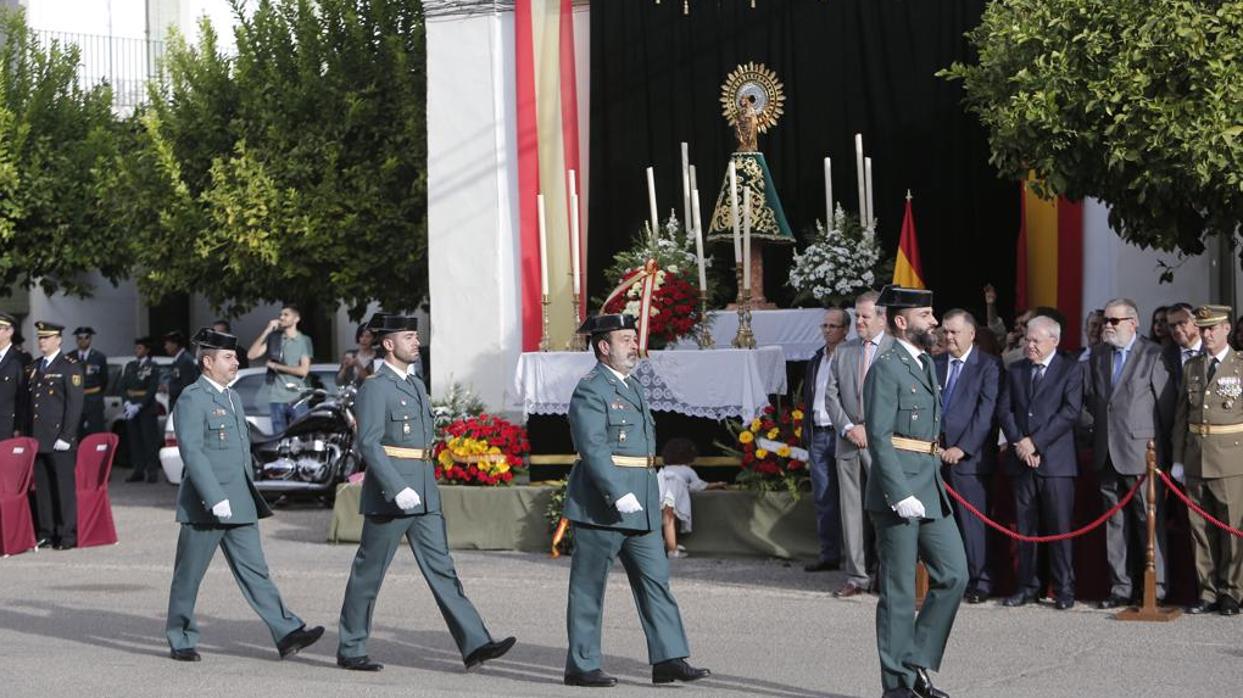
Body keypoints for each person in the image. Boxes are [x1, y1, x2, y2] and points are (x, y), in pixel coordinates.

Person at [337, 313, 515, 672]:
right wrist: (396, 488)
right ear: (388, 344)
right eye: (408, 337)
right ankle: (351, 646)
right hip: (394, 492)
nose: (416, 342)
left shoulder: (415, 385)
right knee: (370, 572)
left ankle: (475, 642)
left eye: (415, 336)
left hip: (423, 489)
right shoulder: (375, 387)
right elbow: (369, 443)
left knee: (442, 569)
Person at [562, 313, 709, 688]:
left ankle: (668, 657)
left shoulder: (632, 385)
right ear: (604, 347)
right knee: (589, 587)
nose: (633, 345)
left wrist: (645, 493)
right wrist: (617, 492)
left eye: (633, 337)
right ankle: (582, 664)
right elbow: (592, 447)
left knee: (655, 580)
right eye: (625, 339)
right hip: (603, 504)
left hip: (640, 500)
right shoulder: (591, 388)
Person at [165, 327, 324, 662]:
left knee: (255, 570)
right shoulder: (193, 399)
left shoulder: (232, 397)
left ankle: (286, 631)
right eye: (228, 357)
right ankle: (181, 637)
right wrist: (214, 496)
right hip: (206, 505)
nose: (235, 362)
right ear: (208, 362)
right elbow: (192, 453)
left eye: (235, 357)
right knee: (189, 576)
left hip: (239, 499)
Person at [863, 285, 966, 698]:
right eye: (926, 315)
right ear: (902, 321)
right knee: (899, 591)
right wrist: (897, 490)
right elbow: (879, 436)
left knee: (955, 574)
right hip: (900, 489)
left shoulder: (923, 362)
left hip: (929, 483)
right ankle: (898, 686)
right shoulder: (886, 366)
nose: (935, 322)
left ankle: (914, 661)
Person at [1081, 299, 1175, 609]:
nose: (1108, 325)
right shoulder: (1098, 356)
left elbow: (1166, 409)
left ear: (1133, 323)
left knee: (1147, 522)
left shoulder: (1152, 355)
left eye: (1115, 321)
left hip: (1141, 453)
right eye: (1106, 320)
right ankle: (1121, 587)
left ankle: (1155, 586)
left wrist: (1166, 455)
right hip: (1107, 452)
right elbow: (1092, 402)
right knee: (1114, 524)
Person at [997, 315, 1084, 610]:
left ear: (1054, 341)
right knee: (1026, 529)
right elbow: (1005, 409)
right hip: (1022, 460)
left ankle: (1064, 588)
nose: (1029, 345)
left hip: (1056, 463)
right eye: (1027, 339)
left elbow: (1070, 412)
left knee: (1059, 528)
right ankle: (1027, 586)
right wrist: (1021, 443)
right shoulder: (1016, 369)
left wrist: (1036, 442)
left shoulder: (1070, 369)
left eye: (1035, 340)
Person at [1171, 304, 1243, 616]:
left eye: (1213, 328)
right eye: (1203, 329)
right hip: (1196, 457)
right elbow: (1181, 417)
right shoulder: (1193, 367)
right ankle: (1207, 590)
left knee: (1230, 529)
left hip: (1230, 459)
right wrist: (1177, 458)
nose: (1207, 334)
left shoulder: (1240, 366)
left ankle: (1232, 591)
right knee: (1200, 529)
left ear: (1227, 329)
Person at [825, 290, 894, 597]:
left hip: (883, 444)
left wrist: (872, 429)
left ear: (883, 318)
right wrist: (850, 427)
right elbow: (831, 394)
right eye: (857, 317)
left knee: (884, 508)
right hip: (849, 442)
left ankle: (885, 573)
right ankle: (856, 576)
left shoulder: (896, 350)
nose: (860, 322)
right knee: (851, 510)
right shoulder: (844, 350)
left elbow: (900, 399)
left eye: (866, 316)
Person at [935, 309, 1002, 604]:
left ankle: (981, 580)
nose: (948, 337)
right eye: (945, 332)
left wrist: (963, 448)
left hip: (969, 460)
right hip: (935, 455)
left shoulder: (988, 366)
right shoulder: (934, 363)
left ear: (971, 334)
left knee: (973, 524)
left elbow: (985, 413)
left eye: (954, 332)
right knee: (942, 524)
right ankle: (952, 578)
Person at [28, 321, 85, 550]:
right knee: (43, 488)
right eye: (41, 338)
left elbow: (74, 406)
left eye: (47, 337)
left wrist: (67, 435)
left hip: (59, 439)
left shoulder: (70, 366)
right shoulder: (35, 366)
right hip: (39, 437)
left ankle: (67, 534)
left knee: (63, 488)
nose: (43, 341)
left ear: (58, 340)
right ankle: (46, 532)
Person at [801, 307, 849, 572]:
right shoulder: (817, 359)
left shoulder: (851, 355)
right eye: (825, 326)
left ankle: (860, 557)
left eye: (833, 326)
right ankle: (829, 554)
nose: (827, 330)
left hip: (842, 433)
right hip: (819, 433)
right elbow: (810, 396)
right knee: (824, 497)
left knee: (852, 497)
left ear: (845, 330)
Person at [247, 303, 313, 435]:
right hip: (277, 398)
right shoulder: (275, 338)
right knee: (279, 439)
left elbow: (303, 371)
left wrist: (276, 366)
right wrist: (267, 330)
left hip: (297, 398)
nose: (282, 317)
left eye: (286, 315)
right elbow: (251, 355)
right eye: (281, 315)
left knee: (301, 437)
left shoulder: (303, 340)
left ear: (296, 319)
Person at [656, 438, 724, 558]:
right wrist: (716, 484)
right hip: (671, 495)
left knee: (666, 521)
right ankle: (672, 550)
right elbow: (698, 485)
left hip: (660, 491)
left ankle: (668, 544)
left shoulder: (666, 469)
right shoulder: (687, 470)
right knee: (669, 521)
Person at [120, 337, 162, 483]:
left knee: (149, 441)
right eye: (136, 348)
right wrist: (127, 403)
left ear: (147, 350)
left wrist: (139, 405)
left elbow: (152, 389)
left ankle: (152, 472)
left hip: (146, 408)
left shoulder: (153, 366)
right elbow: (123, 386)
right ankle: (138, 470)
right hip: (131, 406)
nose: (137, 350)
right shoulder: (130, 365)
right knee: (134, 441)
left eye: (140, 348)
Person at [72, 327, 108, 437]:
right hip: (76, 401)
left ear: (90, 339)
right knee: (76, 433)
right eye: (80, 338)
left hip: (94, 400)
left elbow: (104, 380)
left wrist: (96, 394)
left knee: (96, 432)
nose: (83, 340)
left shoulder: (99, 357)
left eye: (86, 337)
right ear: (76, 340)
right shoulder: (70, 357)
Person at [0, 313, 27, 438]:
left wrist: (18, 426)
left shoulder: (20, 359)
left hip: (7, 425)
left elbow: (23, 397)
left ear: (9, 332)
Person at [1162, 303, 1201, 390]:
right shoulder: (1165, 356)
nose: (1177, 329)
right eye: (1172, 326)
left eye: (1182, 323)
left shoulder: (1212, 349)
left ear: (1196, 323)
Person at [163, 331, 199, 411]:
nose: (165, 347)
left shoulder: (185, 360)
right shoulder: (178, 360)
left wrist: (168, 389)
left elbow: (187, 385)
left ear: (175, 345)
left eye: (167, 344)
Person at [337, 323, 376, 387]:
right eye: (361, 336)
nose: (364, 340)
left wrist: (357, 364)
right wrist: (344, 368)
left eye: (368, 336)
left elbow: (371, 381)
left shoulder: (377, 358)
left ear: (374, 338)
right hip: (350, 394)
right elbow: (338, 382)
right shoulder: (350, 354)